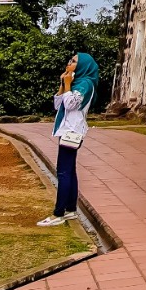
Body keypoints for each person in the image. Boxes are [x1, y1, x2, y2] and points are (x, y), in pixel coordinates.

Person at [41, 50, 95, 225]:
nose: (69, 63)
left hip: (72, 131)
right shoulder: (74, 82)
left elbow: (71, 104)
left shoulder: (85, 84)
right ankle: (71, 209)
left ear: (82, 66)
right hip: (66, 130)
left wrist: (69, 85)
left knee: (63, 171)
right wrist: (63, 84)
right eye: (70, 60)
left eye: (73, 61)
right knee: (69, 170)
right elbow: (58, 104)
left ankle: (58, 213)